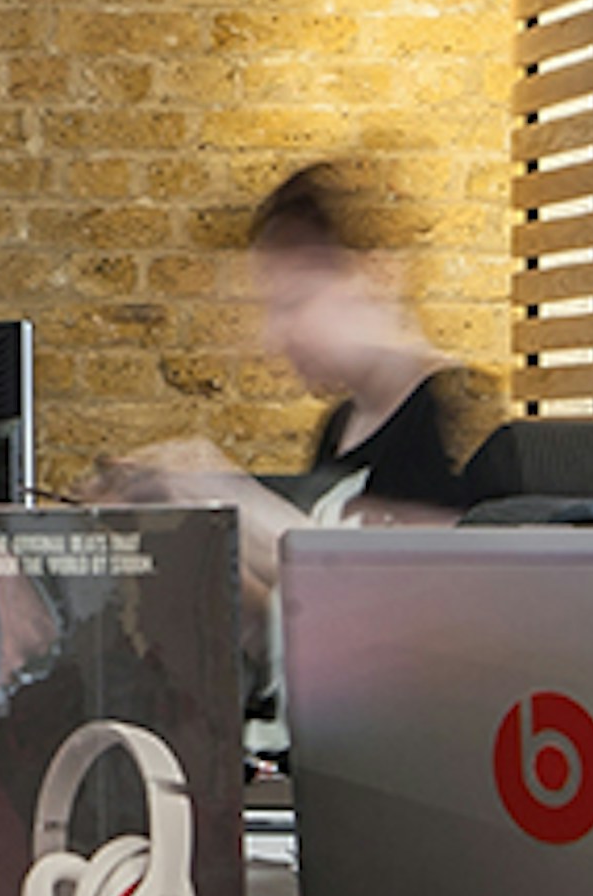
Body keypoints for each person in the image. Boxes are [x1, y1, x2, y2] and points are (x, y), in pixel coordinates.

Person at [90, 161, 500, 606]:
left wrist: (230, 500)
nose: (275, 336)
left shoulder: (462, 411)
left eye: (295, 303)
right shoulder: (342, 423)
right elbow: (310, 607)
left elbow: (424, 600)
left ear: (379, 275)